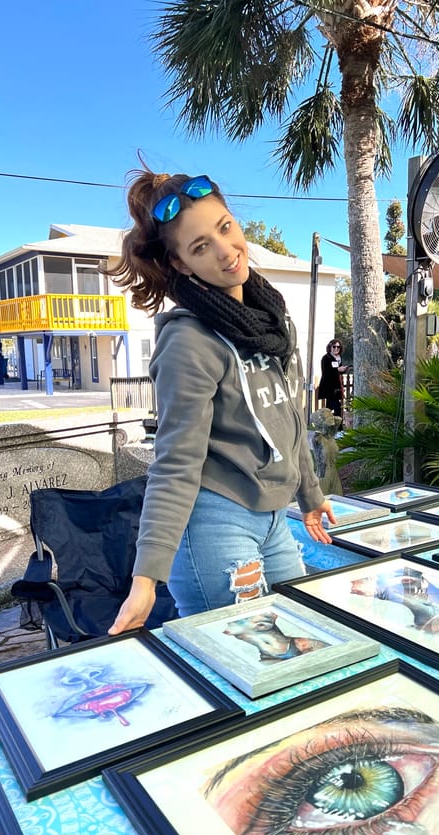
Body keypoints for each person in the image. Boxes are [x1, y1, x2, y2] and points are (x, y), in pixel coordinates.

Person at [105, 167, 335, 634]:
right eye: (200, 247)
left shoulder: (270, 320)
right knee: (249, 666)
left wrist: (309, 495)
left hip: (273, 519)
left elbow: (289, 416)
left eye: (224, 228)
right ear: (183, 266)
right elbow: (174, 462)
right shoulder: (188, 342)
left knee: (307, 639)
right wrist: (146, 579)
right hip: (214, 523)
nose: (226, 251)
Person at [317, 338, 349, 417]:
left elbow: (338, 371)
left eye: (338, 347)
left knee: (329, 407)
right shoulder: (326, 358)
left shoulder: (339, 357)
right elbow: (326, 372)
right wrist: (338, 369)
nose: (336, 349)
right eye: (334, 347)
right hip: (329, 386)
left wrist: (344, 369)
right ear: (330, 347)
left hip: (336, 385)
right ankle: (339, 426)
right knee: (337, 407)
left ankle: (325, 423)